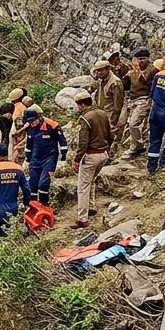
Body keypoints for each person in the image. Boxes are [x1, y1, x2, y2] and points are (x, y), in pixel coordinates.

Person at [71, 91, 111, 229]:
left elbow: (83, 142)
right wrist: (108, 149)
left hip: (91, 155)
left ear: (82, 104)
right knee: (92, 180)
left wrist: (77, 159)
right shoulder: (102, 113)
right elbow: (110, 134)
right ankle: (91, 207)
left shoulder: (85, 118)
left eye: (78, 105)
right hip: (103, 154)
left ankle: (82, 218)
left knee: (82, 187)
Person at [22, 109, 66, 206]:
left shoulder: (52, 125)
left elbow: (62, 142)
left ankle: (44, 205)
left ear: (38, 118)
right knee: (32, 184)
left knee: (43, 184)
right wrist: (27, 160)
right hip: (35, 158)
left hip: (50, 158)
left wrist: (63, 157)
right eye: (29, 122)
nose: (31, 123)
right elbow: (29, 146)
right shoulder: (29, 128)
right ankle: (32, 207)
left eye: (32, 121)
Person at [121, 48, 156, 157]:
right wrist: (127, 77)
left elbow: (154, 86)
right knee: (125, 123)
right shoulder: (133, 71)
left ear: (148, 59)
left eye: (143, 59)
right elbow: (125, 86)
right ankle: (136, 145)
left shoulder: (152, 70)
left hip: (143, 100)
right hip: (132, 100)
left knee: (133, 123)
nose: (141, 61)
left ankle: (136, 147)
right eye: (139, 59)